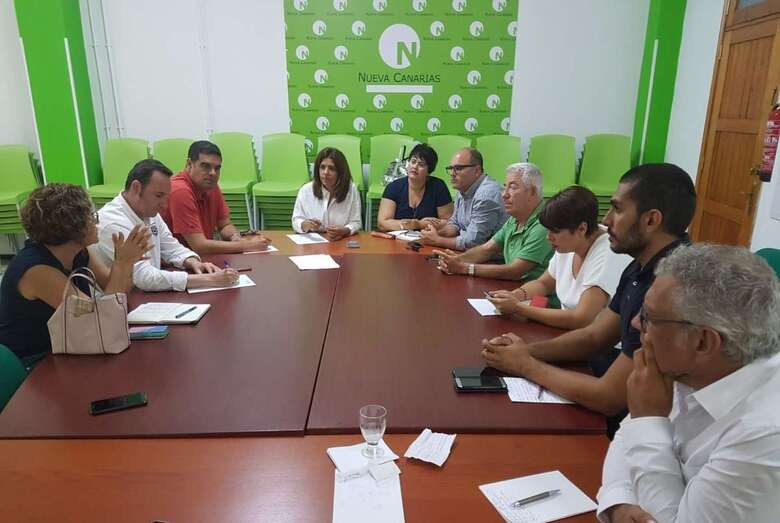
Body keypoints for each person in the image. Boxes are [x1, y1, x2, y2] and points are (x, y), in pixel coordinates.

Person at [480, 163, 696, 430]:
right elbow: (596, 334)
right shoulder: (639, 265)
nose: (605, 221)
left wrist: (525, 364)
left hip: (657, 427)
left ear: (651, 220)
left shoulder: (671, 284)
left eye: (617, 209)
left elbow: (609, 397)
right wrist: (527, 351)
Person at [597, 244, 780, 523]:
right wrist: (618, 501)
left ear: (703, 342)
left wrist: (648, 421)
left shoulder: (765, 434)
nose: (635, 323)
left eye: (648, 317)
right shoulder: (691, 368)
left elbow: (639, 430)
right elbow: (627, 437)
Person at [0, 184, 151, 369]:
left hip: (69, 346)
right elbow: (98, 322)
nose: (96, 222)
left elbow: (119, 299)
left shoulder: (79, 251)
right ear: (71, 227)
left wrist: (126, 264)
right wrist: (121, 264)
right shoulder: (36, 270)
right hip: (34, 363)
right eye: (90, 217)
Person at [487, 186, 630, 330]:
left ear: (582, 228)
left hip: (598, 344)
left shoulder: (608, 253)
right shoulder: (570, 243)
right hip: (568, 332)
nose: (548, 237)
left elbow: (581, 318)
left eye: (554, 231)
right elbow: (544, 284)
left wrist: (518, 308)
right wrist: (514, 295)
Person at [98, 159, 239, 292]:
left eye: (166, 197)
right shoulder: (112, 223)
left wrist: (193, 262)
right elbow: (144, 278)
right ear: (136, 188)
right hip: (122, 305)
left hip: (143, 299)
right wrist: (208, 279)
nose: (165, 205)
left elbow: (171, 247)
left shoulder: (148, 211)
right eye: (159, 196)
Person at [434, 163, 552, 281]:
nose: (504, 194)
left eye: (512, 187)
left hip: (536, 297)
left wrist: (465, 268)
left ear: (532, 192)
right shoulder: (515, 219)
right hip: (515, 291)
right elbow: (487, 249)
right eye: (505, 187)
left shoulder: (544, 224)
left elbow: (515, 271)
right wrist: (458, 260)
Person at [160, 140, 271, 254]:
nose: (212, 173)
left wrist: (235, 236)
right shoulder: (180, 191)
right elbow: (199, 246)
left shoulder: (210, 185)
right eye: (205, 166)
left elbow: (224, 225)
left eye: (217, 168)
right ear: (189, 164)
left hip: (201, 260)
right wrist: (245, 245)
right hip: (177, 264)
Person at [419, 147, 506, 250]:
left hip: (493, 260)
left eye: (458, 168)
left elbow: (473, 242)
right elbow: (455, 224)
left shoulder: (486, 195)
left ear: (477, 170)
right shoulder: (463, 188)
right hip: (471, 254)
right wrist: (434, 233)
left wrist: (438, 240)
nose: (452, 173)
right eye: (451, 168)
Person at [377, 143, 453, 232]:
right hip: (397, 239)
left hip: (428, 239)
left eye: (421, 164)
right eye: (413, 161)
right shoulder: (393, 187)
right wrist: (412, 225)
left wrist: (419, 224)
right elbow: (382, 223)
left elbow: (450, 222)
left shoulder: (438, 187)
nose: (415, 167)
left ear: (429, 171)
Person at [292, 147, 362, 241]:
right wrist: (305, 224)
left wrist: (344, 230)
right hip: (312, 243)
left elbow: (356, 222)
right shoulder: (306, 190)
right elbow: (296, 220)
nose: (325, 172)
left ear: (341, 172)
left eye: (331, 168)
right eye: (322, 167)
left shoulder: (351, 190)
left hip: (340, 241)